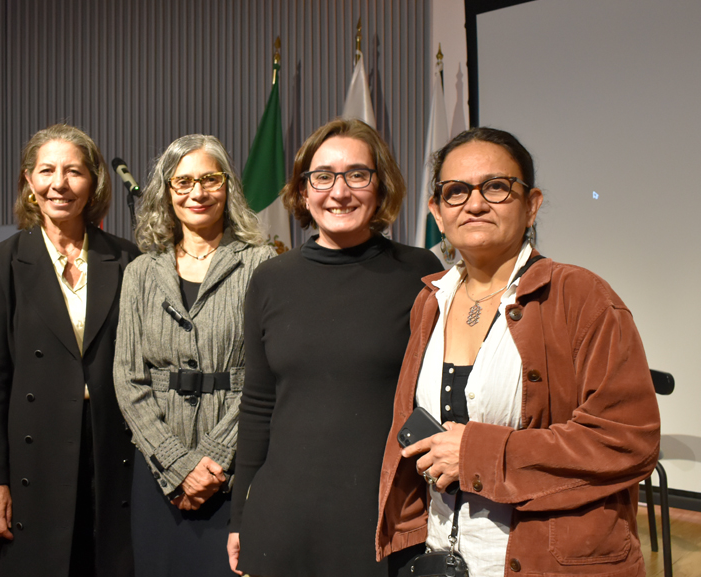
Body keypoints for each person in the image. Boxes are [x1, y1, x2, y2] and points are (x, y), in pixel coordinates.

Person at [375, 127, 661, 576]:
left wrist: (476, 453)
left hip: (547, 561)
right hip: (441, 550)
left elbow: (628, 441)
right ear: (437, 210)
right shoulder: (430, 301)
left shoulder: (580, 295)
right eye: (456, 192)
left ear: (531, 204)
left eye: (496, 187)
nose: (474, 203)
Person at [228, 118, 442, 576]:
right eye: (322, 176)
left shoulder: (420, 273)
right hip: (283, 517)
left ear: (381, 188)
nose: (339, 191)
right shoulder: (270, 279)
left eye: (357, 175)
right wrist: (240, 519)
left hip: (382, 517)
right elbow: (259, 405)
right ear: (304, 191)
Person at [0, 124, 139, 577]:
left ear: (94, 182)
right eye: (46, 171)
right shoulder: (0, 262)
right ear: (29, 181)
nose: (58, 184)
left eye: (74, 172)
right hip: (34, 456)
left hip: (110, 450)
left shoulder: (128, 259)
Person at [113, 134, 276, 576]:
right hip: (157, 474)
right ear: (165, 192)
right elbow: (129, 380)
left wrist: (212, 460)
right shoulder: (140, 273)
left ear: (229, 187)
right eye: (182, 182)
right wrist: (178, 465)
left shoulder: (261, 264)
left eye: (209, 179)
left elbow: (266, 377)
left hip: (234, 475)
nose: (197, 193)